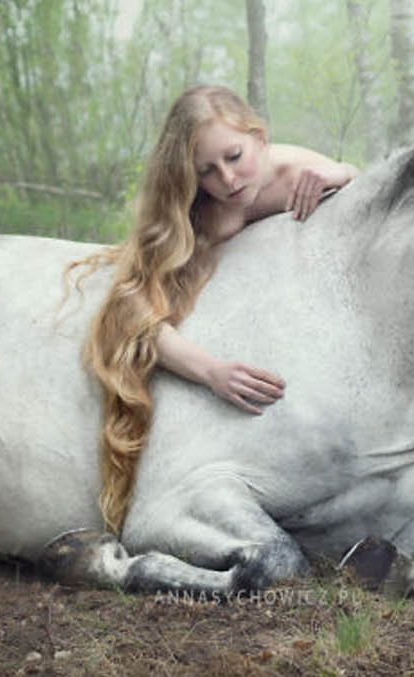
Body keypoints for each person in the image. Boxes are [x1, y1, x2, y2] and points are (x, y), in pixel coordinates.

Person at [73, 85, 359, 532]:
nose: (227, 180)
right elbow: (132, 316)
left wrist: (342, 171)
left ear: (259, 138)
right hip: (204, 327)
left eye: (234, 156)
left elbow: (377, 205)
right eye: (206, 170)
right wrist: (210, 371)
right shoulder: (188, 211)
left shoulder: (299, 173)